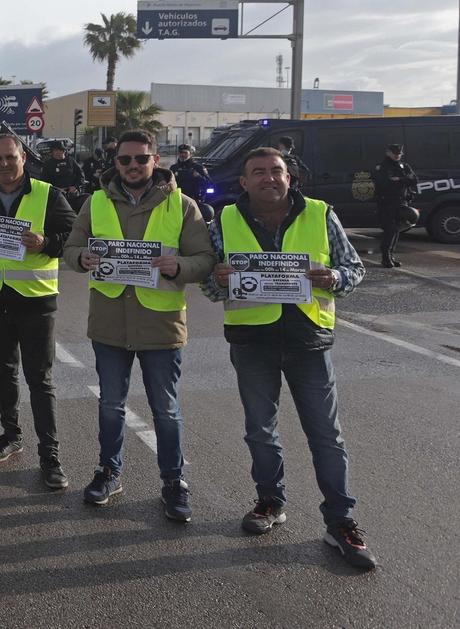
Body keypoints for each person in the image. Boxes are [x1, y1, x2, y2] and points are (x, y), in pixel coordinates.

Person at [201, 147, 377, 569]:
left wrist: (334, 277)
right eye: (258, 172)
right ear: (244, 182)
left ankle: (341, 522)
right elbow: (208, 285)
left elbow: (353, 268)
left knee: (326, 437)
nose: (268, 178)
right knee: (260, 431)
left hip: (308, 341)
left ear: (288, 177)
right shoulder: (223, 220)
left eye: (275, 171)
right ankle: (270, 502)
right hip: (251, 342)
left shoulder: (320, 213)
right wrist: (217, 279)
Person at [63, 129, 215, 522]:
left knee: (165, 409)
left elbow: (205, 258)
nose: (133, 166)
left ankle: (173, 481)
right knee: (111, 405)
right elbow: (71, 248)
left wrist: (180, 266)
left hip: (160, 324)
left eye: (141, 159)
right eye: (126, 160)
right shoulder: (95, 202)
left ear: (155, 161)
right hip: (110, 322)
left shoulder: (182, 206)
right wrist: (83, 260)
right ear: (116, 163)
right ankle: (109, 472)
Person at [0, 135, 77, 486]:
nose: (4, 164)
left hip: (35, 301)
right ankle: (11, 436)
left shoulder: (47, 194)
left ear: (23, 157)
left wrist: (47, 243)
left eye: (10, 157)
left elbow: (74, 236)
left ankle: (49, 456)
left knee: (40, 380)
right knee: (4, 371)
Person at [370, 143, 416, 268]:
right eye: (395, 154)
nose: (397, 156)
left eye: (399, 154)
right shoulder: (381, 167)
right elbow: (383, 183)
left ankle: (391, 256)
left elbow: (414, 180)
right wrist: (403, 180)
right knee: (389, 230)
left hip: (401, 202)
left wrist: (400, 179)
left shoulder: (403, 166)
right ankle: (385, 257)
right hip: (387, 203)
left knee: (396, 230)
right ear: (388, 153)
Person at [42, 140, 85, 209]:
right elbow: (44, 182)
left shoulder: (70, 160)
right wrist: (57, 190)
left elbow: (80, 174)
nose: (64, 151)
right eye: (61, 150)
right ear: (54, 152)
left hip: (72, 195)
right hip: (57, 197)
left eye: (64, 150)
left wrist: (75, 186)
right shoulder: (48, 164)